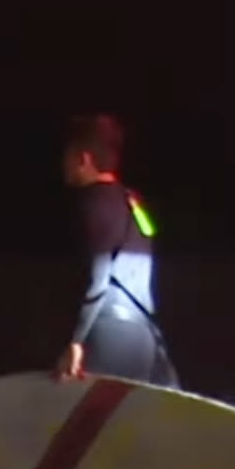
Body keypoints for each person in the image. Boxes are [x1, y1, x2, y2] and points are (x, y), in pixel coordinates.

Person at [54, 113, 179, 387]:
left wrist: (75, 340)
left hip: (107, 331)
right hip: (144, 335)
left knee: (86, 424)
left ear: (83, 158)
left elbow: (97, 278)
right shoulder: (134, 203)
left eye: (66, 155)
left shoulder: (93, 202)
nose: (62, 164)